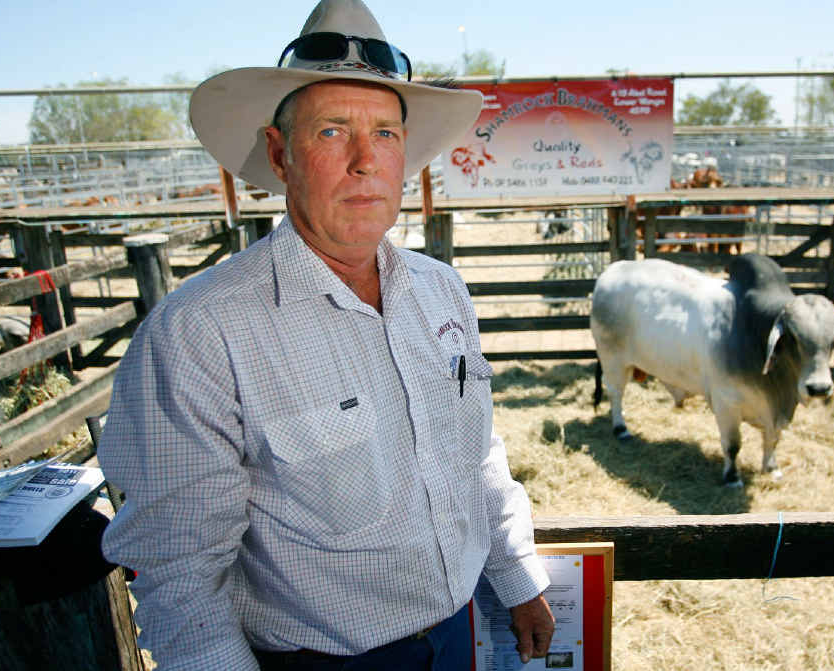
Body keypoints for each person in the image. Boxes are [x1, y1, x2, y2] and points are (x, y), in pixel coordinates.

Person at [98, 1, 554, 669]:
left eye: (386, 134)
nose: (366, 161)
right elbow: (182, 573)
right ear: (280, 154)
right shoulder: (201, 332)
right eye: (333, 131)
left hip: (456, 633)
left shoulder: (441, 290)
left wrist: (517, 577)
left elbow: (471, 448)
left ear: (405, 154)